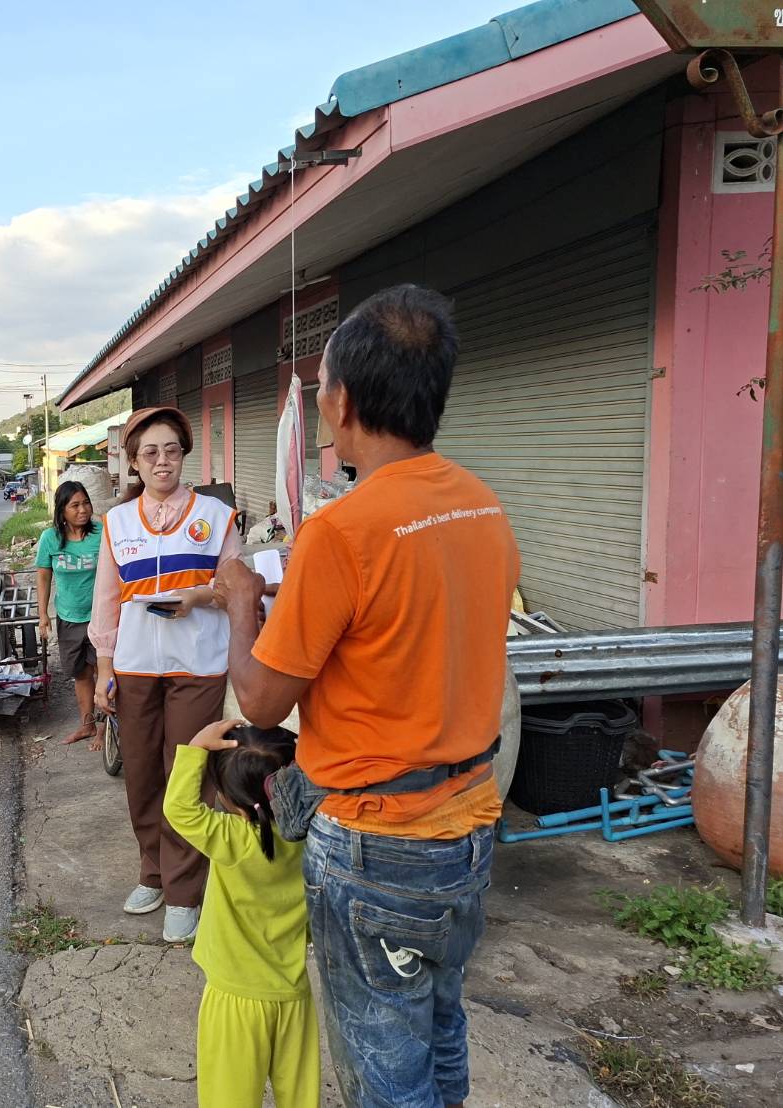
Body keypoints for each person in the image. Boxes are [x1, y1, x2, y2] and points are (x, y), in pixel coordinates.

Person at [217, 285, 520, 1108]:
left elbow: (262, 702)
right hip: (468, 822)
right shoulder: (481, 504)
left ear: (343, 400)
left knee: (383, 1069)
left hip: (377, 843)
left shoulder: (342, 531)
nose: (318, 404)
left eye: (318, 388)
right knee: (438, 1027)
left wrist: (242, 601)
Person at [89, 406, 243, 944]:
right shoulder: (117, 522)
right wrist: (105, 668)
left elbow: (237, 589)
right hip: (134, 666)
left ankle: (183, 891)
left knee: (188, 774)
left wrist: (200, 595)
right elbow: (106, 601)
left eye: (172, 450)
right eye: (150, 452)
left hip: (197, 665)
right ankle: (151, 871)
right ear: (134, 461)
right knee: (142, 774)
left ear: (184, 455)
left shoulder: (216, 517)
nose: (162, 461)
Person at [163, 719, 319, 1108]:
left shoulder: (232, 839)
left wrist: (197, 746)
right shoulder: (315, 841)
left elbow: (178, 808)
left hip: (233, 999)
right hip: (293, 996)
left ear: (235, 805)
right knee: (299, 1099)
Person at [35, 480, 104, 747]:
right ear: (62, 510)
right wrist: (43, 615)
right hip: (68, 618)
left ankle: (105, 728)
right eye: (75, 505)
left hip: (101, 617)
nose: (83, 510)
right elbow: (43, 578)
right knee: (82, 674)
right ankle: (87, 725)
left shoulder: (102, 533)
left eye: (85, 503)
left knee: (104, 671)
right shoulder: (50, 539)